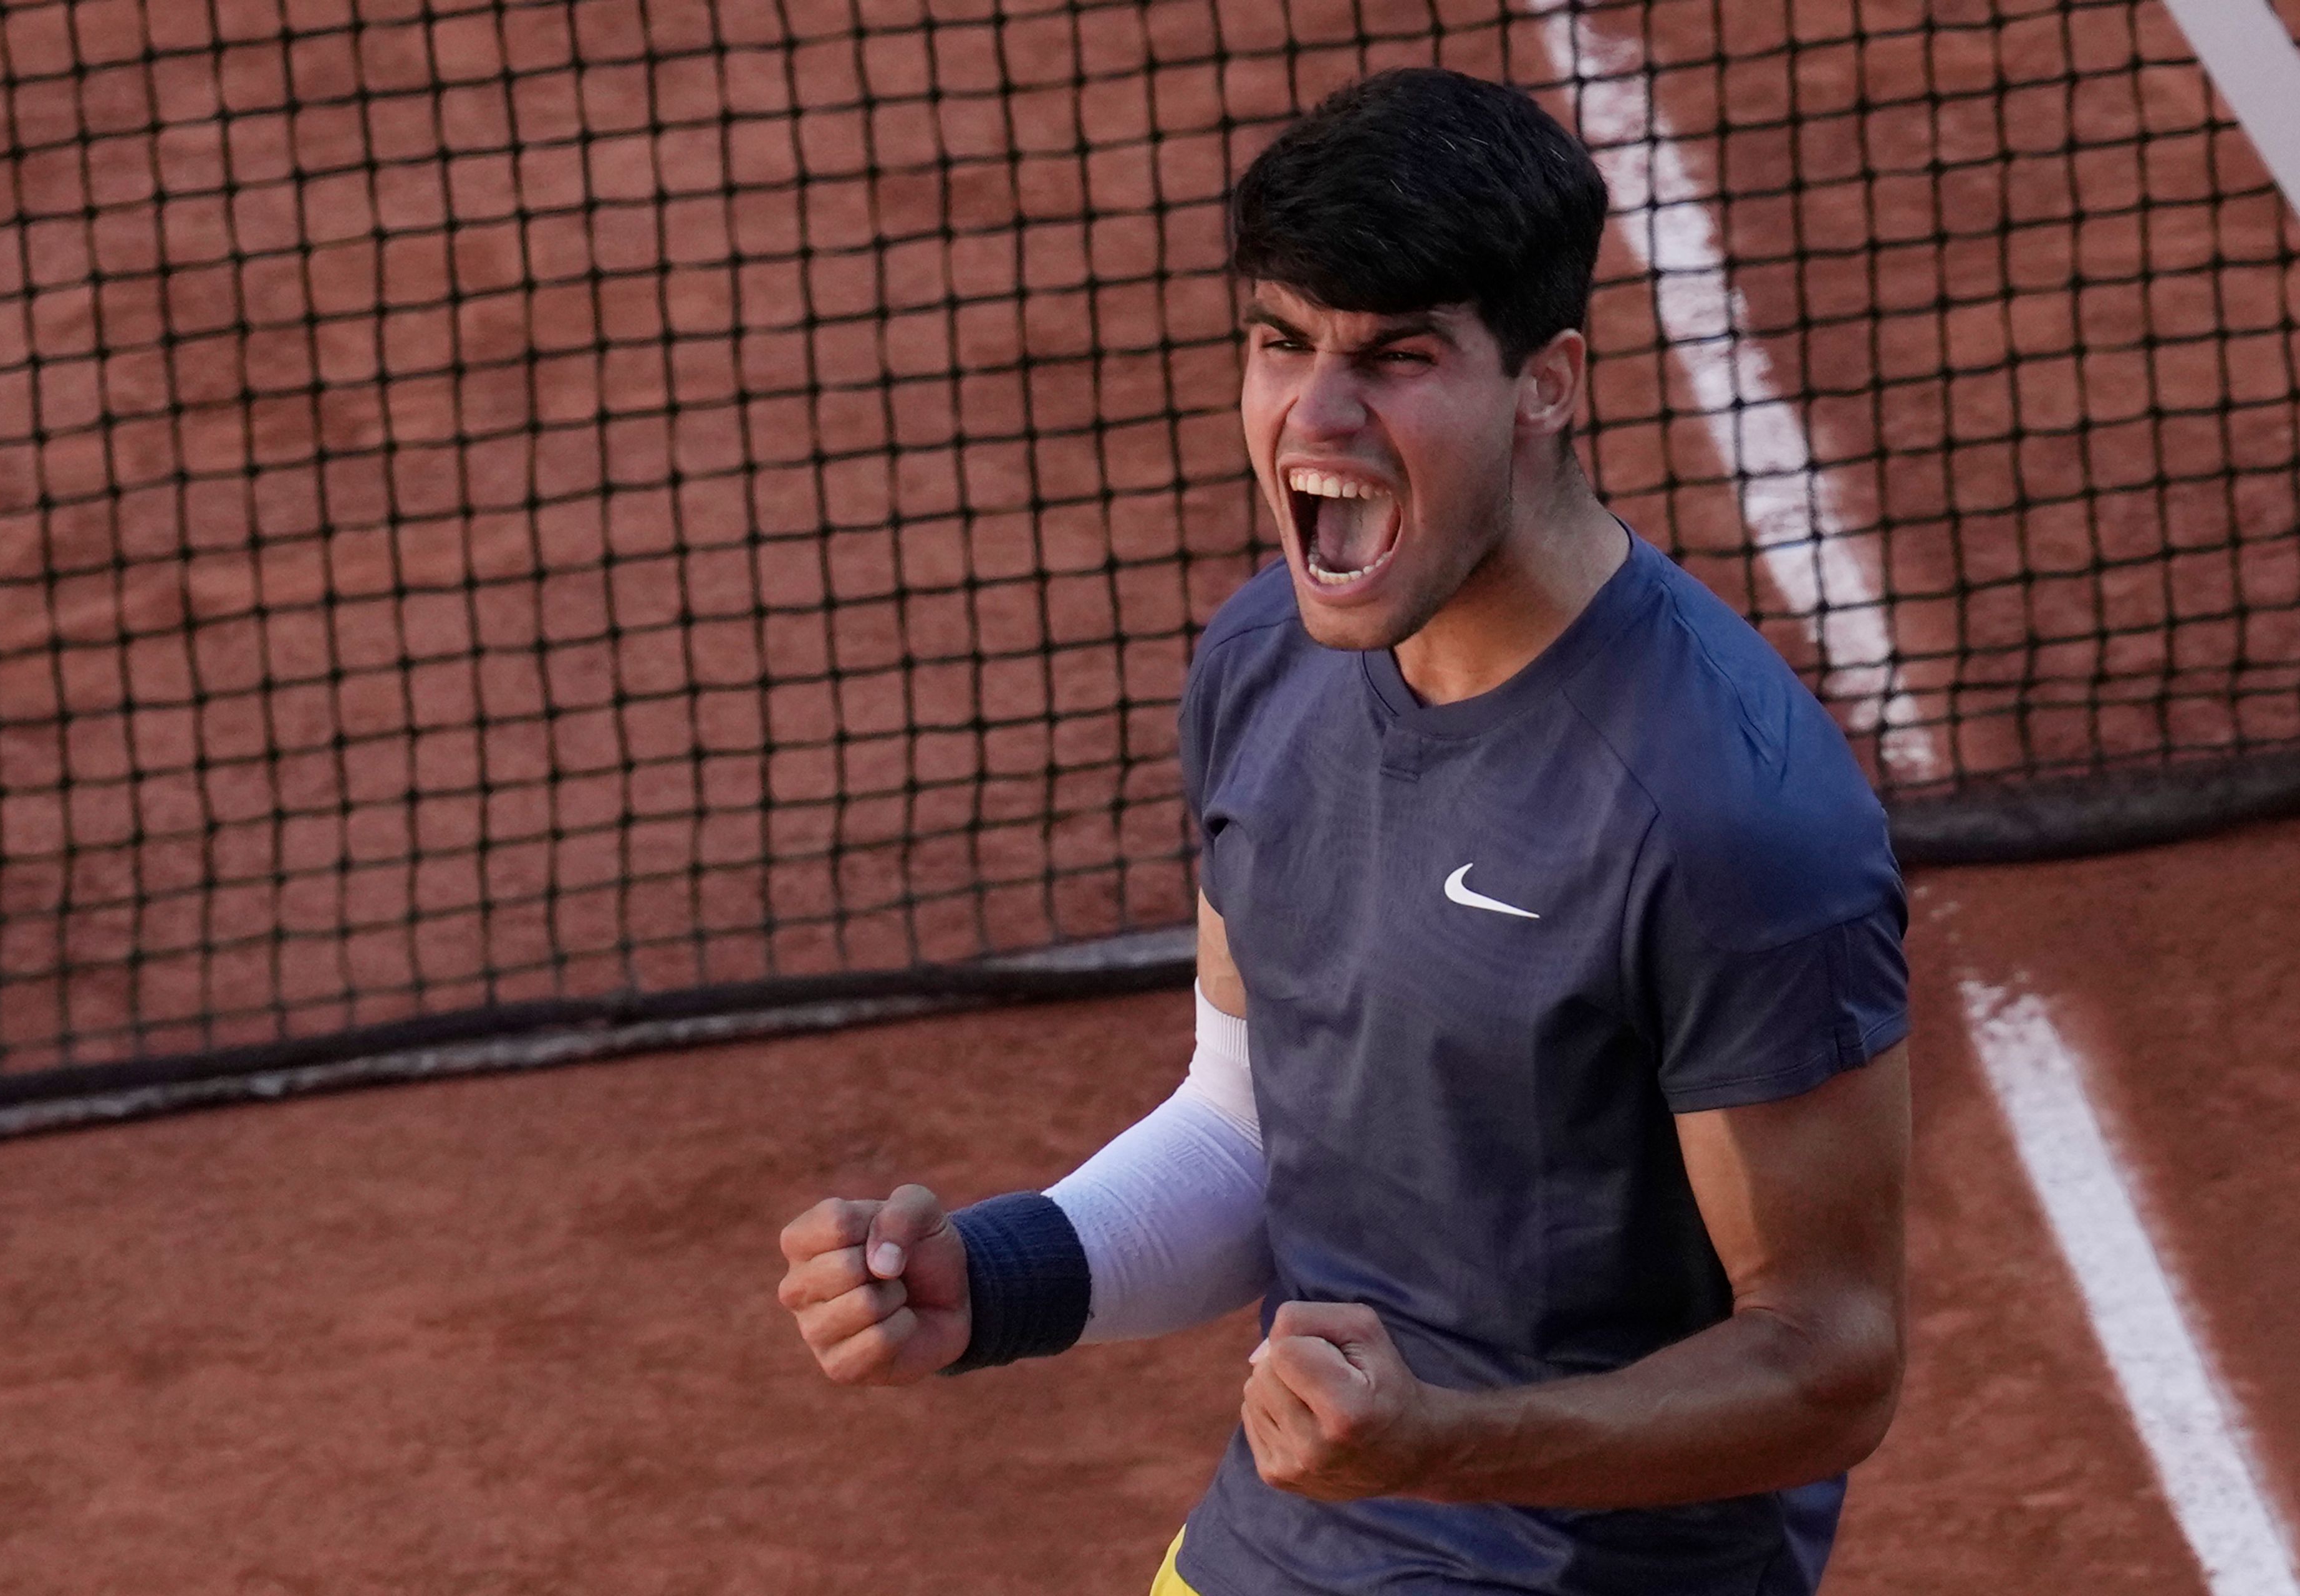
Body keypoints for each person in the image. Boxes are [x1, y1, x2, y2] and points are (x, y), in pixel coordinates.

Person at [774, 67, 1910, 1596]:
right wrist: (997, 1278)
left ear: (1548, 380)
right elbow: (1254, 1124)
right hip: (1292, 1539)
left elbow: (1831, 1361)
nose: (1313, 416)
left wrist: (1445, 1440)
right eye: (1279, 343)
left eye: (1395, 357)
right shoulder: (1264, 663)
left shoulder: (1728, 817)